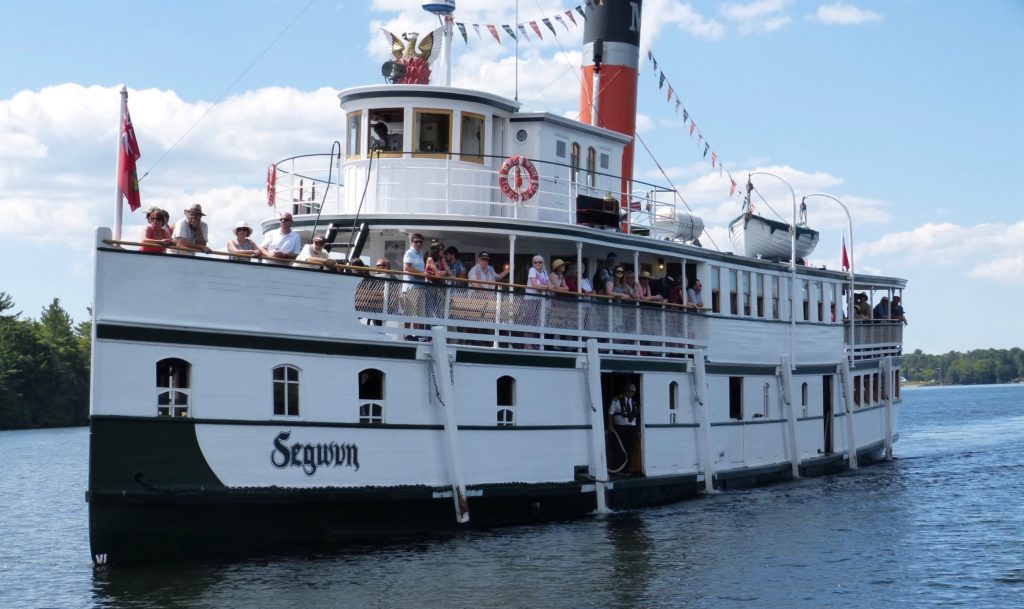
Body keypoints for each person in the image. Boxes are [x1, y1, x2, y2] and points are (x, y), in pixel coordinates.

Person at [607, 384, 639, 473]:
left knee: (629, 447)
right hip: (620, 428)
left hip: (631, 428)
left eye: (633, 392)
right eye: (629, 390)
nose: (631, 393)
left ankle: (627, 468)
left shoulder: (634, 402)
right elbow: (610, 413)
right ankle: (618, 468)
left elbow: (635, 415)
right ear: (625, 390)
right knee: (618, 448)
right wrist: (610, 425)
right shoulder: (616, 400)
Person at [402, 234, 427, 336]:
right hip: (411, 286)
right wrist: (422, 274)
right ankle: (407, 335)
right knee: (409, 312)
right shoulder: (410, 253)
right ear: (412, 242)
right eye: (416, 241)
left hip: (420, 286)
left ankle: (416, 335)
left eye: (420, 242)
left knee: (420, 313)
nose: (418, 243)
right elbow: (407, 267)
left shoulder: (420, 253)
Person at [424, 243, 449, 320]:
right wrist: (443, 273)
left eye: (443, 249)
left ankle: (438, 323)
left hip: (438, 285)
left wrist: (445, 272)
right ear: (436, 250)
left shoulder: (441, 259)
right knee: (430, 306)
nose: (442, 251)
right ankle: (429, 324)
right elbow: (437, 273)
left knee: (438, 306)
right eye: (440, 249)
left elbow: (449, 272)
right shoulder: (430, 259)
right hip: (430, 285)